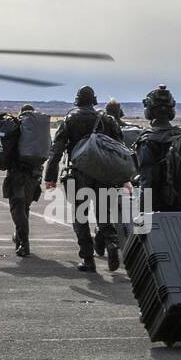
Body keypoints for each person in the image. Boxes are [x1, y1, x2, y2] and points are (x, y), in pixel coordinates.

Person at [44, 86, 130, 272]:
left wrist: (50, 176)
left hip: (78, 173)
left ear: (77, 100)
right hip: (104, 174)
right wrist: (124, 177)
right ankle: (112, 243)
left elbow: (56, 150)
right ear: (94, 100)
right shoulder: (107, 119)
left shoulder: (70, 119)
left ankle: (88, 259)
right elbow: (120, 149)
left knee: (80, 216)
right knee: (104, 213)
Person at [133, 84, 181, 211]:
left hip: (159, 207)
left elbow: (147, 181)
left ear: (149, 111)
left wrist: (143, 213)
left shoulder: (147, 140)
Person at [6, 105, 45, 257]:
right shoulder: (38, 131)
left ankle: (24, 242)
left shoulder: (18, 127)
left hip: (17, 174)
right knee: (25, 207)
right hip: (34, 175)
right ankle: (20, 237)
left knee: (17, 207)